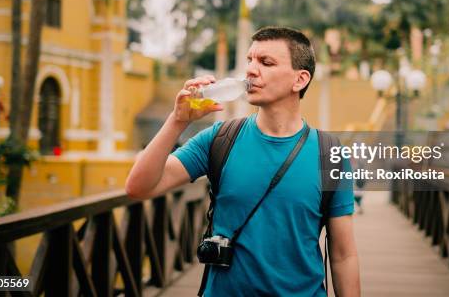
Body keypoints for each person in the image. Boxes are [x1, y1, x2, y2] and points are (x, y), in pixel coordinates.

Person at [125, 27, 361, 296]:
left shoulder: (329, 154)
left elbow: (343, 255)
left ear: (300, 80)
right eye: (250, 60)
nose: (251, 70)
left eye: (266, 62)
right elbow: (138, 187)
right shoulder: (220, 138)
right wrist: (177, 121)